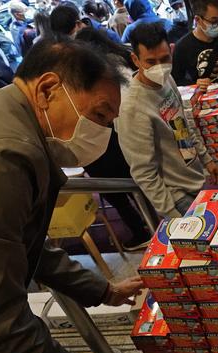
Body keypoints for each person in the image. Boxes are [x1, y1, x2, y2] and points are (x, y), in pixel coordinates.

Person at [0, 38, 144, 353]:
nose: (101, 133)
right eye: (99, 115)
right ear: (48, 90)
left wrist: (102, 290)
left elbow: (20, 243)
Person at [116, 22, 218, 218]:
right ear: (135, 60)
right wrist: (172, 214)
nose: (160, 68)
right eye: (150, 61)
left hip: (193, 177)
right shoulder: (132, 107)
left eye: (165, 59)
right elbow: (144, 172)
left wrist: (206, 159)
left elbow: (183, 122)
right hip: (177, 196)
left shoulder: (166, 79)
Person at [75, 27, 151, 250]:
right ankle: (151, 222)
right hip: (127, 136)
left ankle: (140, 230)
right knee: (137, 182)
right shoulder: (123, 57)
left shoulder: (97, 73)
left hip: (107, 139)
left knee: (117, 193)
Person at [172, 0, 218, 92]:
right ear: (198, 20)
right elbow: (177, 80)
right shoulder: (182, 47)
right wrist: (194, 85)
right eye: (214, 21)